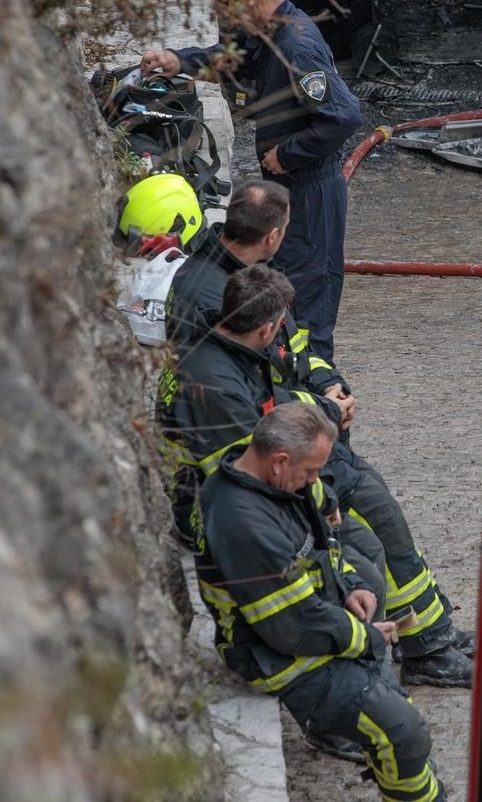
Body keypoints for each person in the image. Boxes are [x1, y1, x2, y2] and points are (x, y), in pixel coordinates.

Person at [166, 199, 475, 689]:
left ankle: (433, 629)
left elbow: (293, 352)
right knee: (375, 521)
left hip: (297, 437)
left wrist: (330, 388)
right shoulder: (216, 328)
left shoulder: (244, 286)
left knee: (382, 515)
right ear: (273, 234)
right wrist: (324, 419)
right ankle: (426, 647)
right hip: (285, 462)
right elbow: (255, 436)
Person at [157, 264, 382, 762]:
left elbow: (270, 436)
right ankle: (332, 710)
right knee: (352, 575)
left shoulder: (228, 354)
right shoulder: (215, 380)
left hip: (255, 499)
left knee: (366, 556)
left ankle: (357, 685)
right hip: (228, 514)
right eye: (281, 326)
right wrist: (317, 511)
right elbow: (249, 472)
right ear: (266, 328)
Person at [202, 405, 447, 802]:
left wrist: (349, 585)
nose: (316, 482)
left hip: (308, 624)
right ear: (280, 460)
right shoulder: (245, 524)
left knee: (401, 720)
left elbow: (321, 542)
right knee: (402, 729)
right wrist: (367, 638)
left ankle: (404, 760)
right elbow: (293, 627)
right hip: (272, 656)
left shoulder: (271, 481)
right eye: (311, 472)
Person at [141, 0, 362, 362]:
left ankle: (317, 396)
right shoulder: (269, 31)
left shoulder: (298, 46)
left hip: (311, 189)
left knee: (307, 296)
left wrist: (287, 154)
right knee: (283, 291)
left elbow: (344, 116)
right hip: (290, 186)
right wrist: (180, 60)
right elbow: (234, 55)